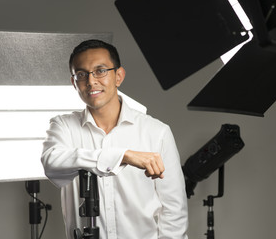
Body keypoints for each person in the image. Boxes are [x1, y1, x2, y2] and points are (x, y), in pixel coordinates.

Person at [41, 39, 188, 239]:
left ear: (118, 76)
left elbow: (174, 211)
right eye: (82, 74)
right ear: (73, 82)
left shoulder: (157, 132)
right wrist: (123, 156)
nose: (91, 81)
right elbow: (52, 163)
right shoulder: (63, 126)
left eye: (100, 71)